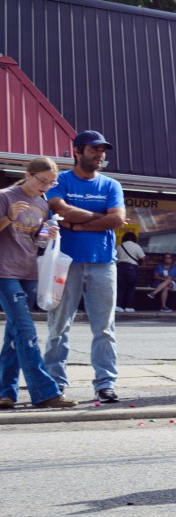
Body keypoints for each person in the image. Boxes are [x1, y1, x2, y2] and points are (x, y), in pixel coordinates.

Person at [44, 130, 127, 403]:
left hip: (103, 263)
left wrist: (78, 224)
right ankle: (55, 384)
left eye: (102, 150)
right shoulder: (61, 181)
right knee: (58, 326)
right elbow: (60, 208)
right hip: (65, 263)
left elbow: (118, 220)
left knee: (104, 328)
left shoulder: (111, 185)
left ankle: (105, 384)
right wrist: (101, 216)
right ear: (77, 151)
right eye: (94, 149)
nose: (100, 155)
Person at [0, 157, 76, 409]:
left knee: (14, 334)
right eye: (42, 180)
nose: (46, 186)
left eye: (51, 182)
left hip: (30, 272)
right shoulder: (5, 196)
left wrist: (47, 235)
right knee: (26, 331)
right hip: (5, 272)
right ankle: (44, 392)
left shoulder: (42, 204)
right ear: (28, 174)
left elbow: (35, 243)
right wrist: (9, 217)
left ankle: (6, 393)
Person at [114, 229, 145, 313]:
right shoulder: (136, 246)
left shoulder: (119, 246)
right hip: (132, 268)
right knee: (131, 288)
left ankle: (118, 306)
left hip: (120, 267)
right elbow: (142, 258)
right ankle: (128, 307)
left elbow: (115, 259)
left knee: (121, 288)